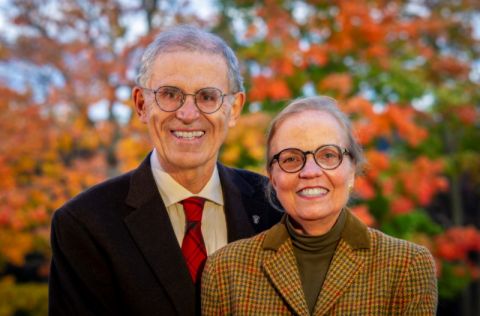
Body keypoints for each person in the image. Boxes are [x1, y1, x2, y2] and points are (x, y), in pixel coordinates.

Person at [48, 25, 282, 316]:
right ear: (141, 104)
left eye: (207, 97)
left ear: (234, 109)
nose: (187, 114)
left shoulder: (276, 209)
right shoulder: (84, 225)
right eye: (170, 94)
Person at [202, 96, 438, 315]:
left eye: (327, 155)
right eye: (291, 159)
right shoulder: (226, 269)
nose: (310, 172)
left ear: (352, 171)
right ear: (273, 177)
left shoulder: (407, 265)